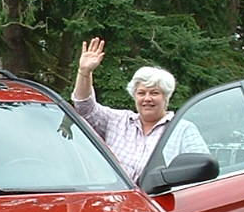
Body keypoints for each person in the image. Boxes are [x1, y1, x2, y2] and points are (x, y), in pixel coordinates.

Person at [71, 36, 207, 180]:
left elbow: (201, 172)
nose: (147, 98)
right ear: (134, 96)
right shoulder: (117, 120)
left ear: (166, 97)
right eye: (141, 93)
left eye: (154, 93)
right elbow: (84, 107)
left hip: (160, 200)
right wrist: (84, 73)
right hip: (115, 198)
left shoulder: (182, 129)